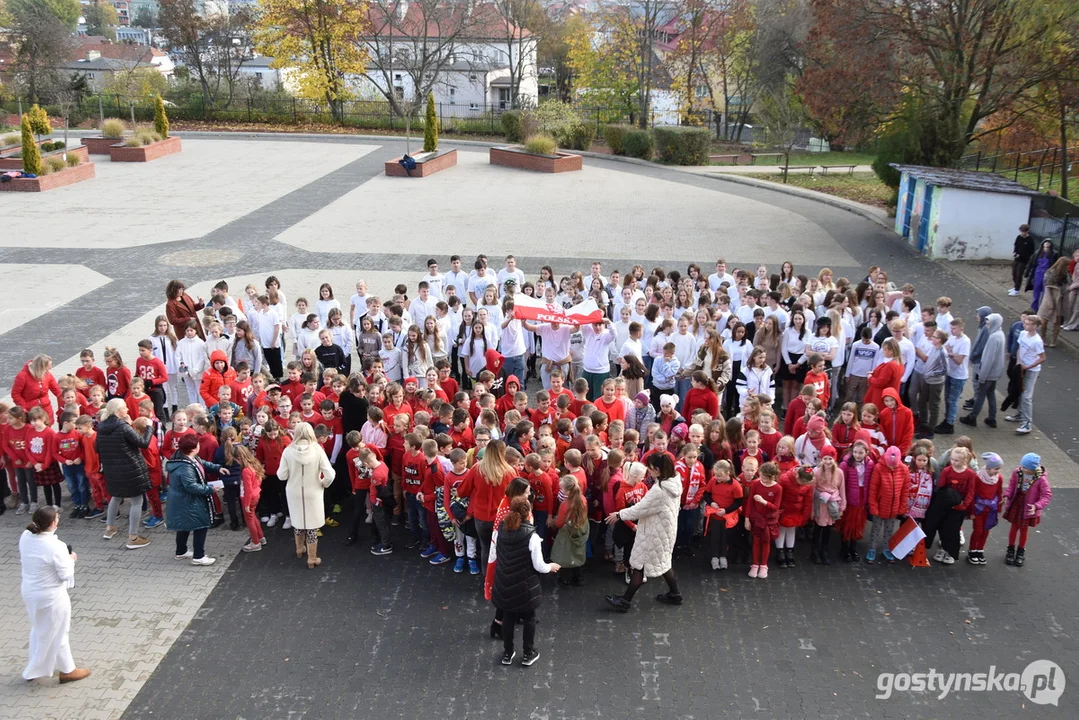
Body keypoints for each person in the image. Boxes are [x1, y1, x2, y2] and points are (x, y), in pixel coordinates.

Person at [604, 453, 683, 612]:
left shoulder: (659, 490)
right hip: (666, 531)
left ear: (659, 470)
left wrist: (619, 514)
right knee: (665, 563)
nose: (650, 473)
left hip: (653, 533)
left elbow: (640, 509)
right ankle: (675, 594)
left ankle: (625, 601)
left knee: (639, 565)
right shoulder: (674, 482)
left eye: (652, 470)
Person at [19, 506, 89, 683]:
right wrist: (71, 559)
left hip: (30, 591)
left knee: (40, 629)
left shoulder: (26, 536)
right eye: (57, 518)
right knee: (58, 631)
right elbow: (65, 574)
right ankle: (66, 670)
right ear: (53, 523)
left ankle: (39, 667)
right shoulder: (55, 546)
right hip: (51, 596)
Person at [490, 496, 560, 666]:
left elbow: (494, 555)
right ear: (529, 512)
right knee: (529, 618)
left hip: (504, 583)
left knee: (508, 617)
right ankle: (528, 653)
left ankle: (507, 653)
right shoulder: (532, 536)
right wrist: (551, 567)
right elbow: (539, 565)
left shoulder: (500, 529)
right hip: (525, 586)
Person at [96, 399, 154, 550]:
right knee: (137, 501)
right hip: (130, 469)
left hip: (112, 470)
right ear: (117, 412)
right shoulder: (123, 427)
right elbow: (143, 443)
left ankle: (109, 529)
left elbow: (97, 448)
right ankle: (133, 537)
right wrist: (149, 427)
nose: (128, 409)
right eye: (124, 408)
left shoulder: (101, 427)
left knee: (116, 497)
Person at [278, 422, 336, 568]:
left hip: (294, 491)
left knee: (298, 520)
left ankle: (299, 548)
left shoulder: (288, 451)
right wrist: (324, 483)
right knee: (311, 526)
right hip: (313, 491)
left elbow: (282, 475)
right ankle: (312, 558)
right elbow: (330, 473)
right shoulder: (317, 450)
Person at [165, 434, 226, 565]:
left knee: (184, 526)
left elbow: (201, 463)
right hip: (189, 501)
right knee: (200, 525)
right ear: (193, 448)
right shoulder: (186, 467)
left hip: (181, 500)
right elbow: (191, 486)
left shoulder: (184, 457)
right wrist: (210, 489)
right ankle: (199, 556)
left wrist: (217, 467)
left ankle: (181, 551)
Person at [1009, 224, 1035, 296]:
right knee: (1014, 273)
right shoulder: (1019, 237)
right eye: (1021, 231)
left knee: (1019, 274)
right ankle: (1015, 287)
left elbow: (1030, 251)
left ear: (1027, 231)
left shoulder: (1030, 240)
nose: (1023, 233)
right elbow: (1016, 245)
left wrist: (1022, 255)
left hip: (1023, 260)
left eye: (1024, 232)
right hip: (1016, 258)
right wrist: (1015, 252)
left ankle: (1017, 289)